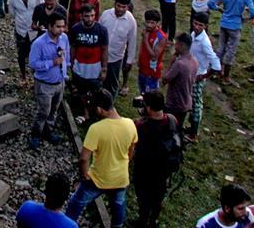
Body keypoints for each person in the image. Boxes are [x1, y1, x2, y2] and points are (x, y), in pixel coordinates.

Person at [65, 90, 137, 228]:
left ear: (99, 109)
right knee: (118, 208)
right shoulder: (130, 124)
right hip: (120, 179)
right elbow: (131, 150)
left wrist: (85, 174)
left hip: (97, 179)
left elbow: (84, 158)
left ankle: (66, 224)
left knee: (76, 204)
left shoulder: (96, 129)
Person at [133, 90, 180, 227]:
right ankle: (153, 221)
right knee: (158, 198)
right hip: (164, 169)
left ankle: (142, 221)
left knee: (143, 198)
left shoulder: (140, 125)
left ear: (148, 108)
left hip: (144, 169)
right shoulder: (172, 119)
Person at [207, 0, 254, 85]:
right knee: (231, 51)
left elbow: (211, 3)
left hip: (224, 23)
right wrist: (245, 19)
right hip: (235, 25)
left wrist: (219, 9)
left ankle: (215, 70)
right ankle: (226, 77)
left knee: (221, 48)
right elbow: (253, 12)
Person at [28, 13, 70, 149]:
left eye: (63, 26)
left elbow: (66, 55)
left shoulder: (64, 38)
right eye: (58, 27)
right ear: (50, 26)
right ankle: (36, 134)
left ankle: (48, 131)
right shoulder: (39, 43)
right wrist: (51, 63)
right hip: (44, 85)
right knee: (43, 112)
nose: (61, 29)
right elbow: (33, 63)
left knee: (54, 110)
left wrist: (65, 71)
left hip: (60, 83)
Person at [68, 6, 108, 123]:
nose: (90, 18)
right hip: (80, 67)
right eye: (86, 16)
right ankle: (86, 113)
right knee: (82, 92)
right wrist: (71, 63)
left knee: (96, 92)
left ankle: (97, 113)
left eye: (92, 15)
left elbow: (105, 49)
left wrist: (104, 68)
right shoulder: (75, 29)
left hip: (95, 68)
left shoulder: (102, 30)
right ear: (81, 16)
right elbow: (73, 47)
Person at [187, 12, 221, 142]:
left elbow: (216, 64)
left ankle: (194, 134)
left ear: (205, 26)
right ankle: (191, 127)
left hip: (197, 76)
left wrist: (204, 76)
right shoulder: (194, 35)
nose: (196, 27)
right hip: (191, 73)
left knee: (196, 105)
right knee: (191, 101)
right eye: (195, 23)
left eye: (200, 25)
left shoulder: (204, 42)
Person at [99, 0, 137, 99]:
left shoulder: (131, 21)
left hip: (115, 58)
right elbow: (97, 31)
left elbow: (132, 42)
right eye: (118, 6)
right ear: (114, 3)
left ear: (127, 7)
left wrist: (129, 61)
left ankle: (110, 103)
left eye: (123, 7)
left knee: (112, 84)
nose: (120, 9)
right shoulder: (106, 14)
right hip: (99, 55)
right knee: (98, 80)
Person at [9, 0, 45, 85]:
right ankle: (23, 76)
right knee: (21, 54)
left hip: (35, 29)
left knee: (36, 53)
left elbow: (42, 7)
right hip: (21, 30)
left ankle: (37, 76)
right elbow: (12, 14)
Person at [162, 33, 198, 129]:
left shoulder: (179, 64)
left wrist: (170, 63)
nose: (175, 47)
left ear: (182, 46)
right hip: (186, 102)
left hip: (174, 103)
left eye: (176, 44)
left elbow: (165, 79)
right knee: (178, 127)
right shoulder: (195, 61)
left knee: (169, 128)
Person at [138, 9, 168, 94]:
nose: (149, 25)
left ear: (157, 23)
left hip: (152, 72)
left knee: (150, 95)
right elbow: (142, 47)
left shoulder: (161, 37)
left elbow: (154, 56)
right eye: (147, 22)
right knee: (142, 92)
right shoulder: (146, 31)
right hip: (142, 68)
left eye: (152, 23)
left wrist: (145, 40)